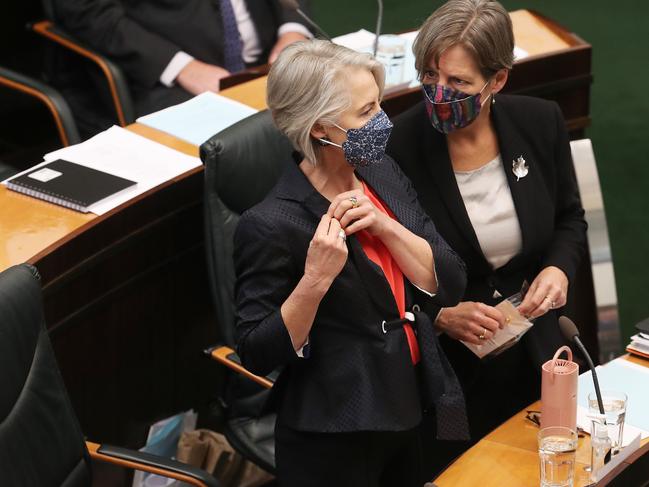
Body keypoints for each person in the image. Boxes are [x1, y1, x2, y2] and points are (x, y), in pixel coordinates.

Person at [234, 40, 469, 486]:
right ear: (321, 129)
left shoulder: (379, 171)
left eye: (378, 105)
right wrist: (315, 279)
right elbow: (256, 352)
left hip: (418, 399)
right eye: (365, 113)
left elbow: (450, 281)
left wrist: (387, 227)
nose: (382, 121)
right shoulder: (269, 224)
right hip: (339, 435)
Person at [386, 0, 588, 476]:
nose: (439, 93)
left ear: (497, 80)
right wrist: (436, 316)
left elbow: (569, 219)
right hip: (448, 374)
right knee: (463, 476)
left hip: (537, 348)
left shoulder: (540, 123)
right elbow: (375, 267)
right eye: (430, 76)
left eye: (458, 83)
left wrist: (559, 268)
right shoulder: (396, 146)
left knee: (546, 467)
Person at [51, 0, 311, 116]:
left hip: (272, 57)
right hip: (165, 74)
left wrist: (292, 31)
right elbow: (86, 10)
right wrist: (182, 67)